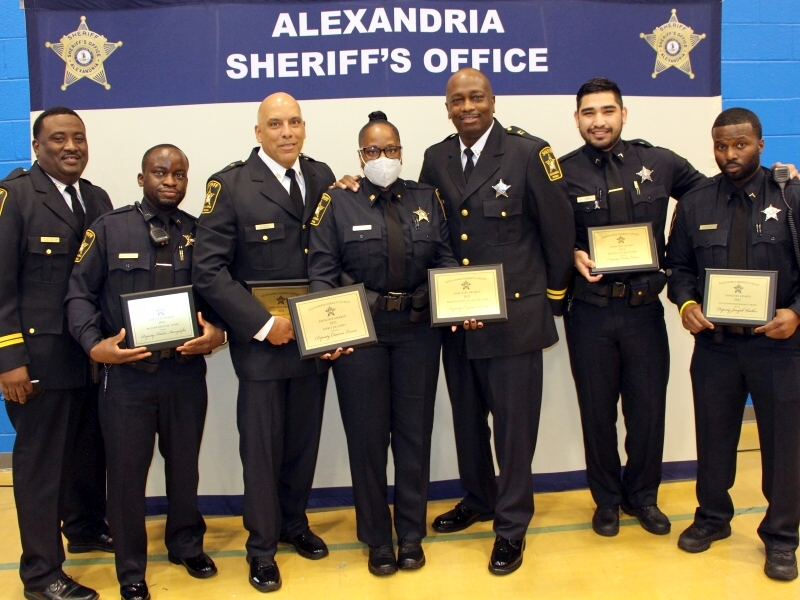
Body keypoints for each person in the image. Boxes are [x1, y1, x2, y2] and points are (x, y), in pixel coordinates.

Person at [419, 68, 574, 574]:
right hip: (459, 321)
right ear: (447, 107)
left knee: (512, 431)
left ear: (492, 100)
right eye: (457, 99)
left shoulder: (531, 153)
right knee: (467, 422)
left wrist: (550, 300)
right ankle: (480, 497)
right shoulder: (435, 157)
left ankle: (511, 526)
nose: (467, 106)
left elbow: (557, 231)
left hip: (515, 319)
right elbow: (428, 232)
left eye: (476, 97)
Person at [65, 145, 225, 600]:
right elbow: (78, 293)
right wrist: (93, 346)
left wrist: (217, 334)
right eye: (160, 172)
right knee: (127, 476)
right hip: (128, 378)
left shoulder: (201, 234)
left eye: (179, 174)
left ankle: (185, 544)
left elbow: (219, 295)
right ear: (141, 178)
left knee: (184, 469)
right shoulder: (110, 229)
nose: (169, 181)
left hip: (184, 373)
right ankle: (130, 568)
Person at [192, 93, 335, 593]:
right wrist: (261, 325)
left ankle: (295, 524)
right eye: (275, 124)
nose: (287, 132)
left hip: (311, 341)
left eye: (295, 122)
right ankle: (262, 548)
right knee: (262, 451)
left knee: (302, 444)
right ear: (258, 132)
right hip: (261, 348)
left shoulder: (321, 177)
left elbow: (328, 253)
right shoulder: (229, 185)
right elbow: (208, 270)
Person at [308, 111, 457, 575]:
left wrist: (460, 300)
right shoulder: (336, 202)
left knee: (414, 435)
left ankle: (411, 533)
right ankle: (376, 537)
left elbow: (447, 259)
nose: (382, 157)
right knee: (368, 440)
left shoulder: (426, 198)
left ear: (400, 151)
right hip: (361, 338)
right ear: (360, 156)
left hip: (416, 332)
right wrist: (330, 332)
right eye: (372, 150)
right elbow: (321, 275)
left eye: (390, 148)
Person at [558, 77, 708, 537]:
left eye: (607, 111)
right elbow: (539, 231)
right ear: (577, 118)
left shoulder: (659, 162)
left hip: (644, 311)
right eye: (588, 113)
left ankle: (643, 497)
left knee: (646, 411)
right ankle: (605, 500)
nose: (598, 121)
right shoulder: (559, 172)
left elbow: (710, 195)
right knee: (596, 412)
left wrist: (773, 180)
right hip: (591, 313)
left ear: (624, 114)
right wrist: (570, 254)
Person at [664, 108, 800, 582]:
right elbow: (677, 269)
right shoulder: (697, 201)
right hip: (717, 347)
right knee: (715, 436)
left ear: (760, 144)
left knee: (783, 445)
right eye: (721, 146)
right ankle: (712, 518)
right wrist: (685, 306)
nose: (729, 155)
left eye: (739, 145)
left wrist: (796, 313)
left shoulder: (791, 195)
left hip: (779, 347)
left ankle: (782, 537)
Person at [0, 107, 112, 600]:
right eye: (59, 139)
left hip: (90, 357)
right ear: (38, 146)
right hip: (38, 360)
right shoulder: (16, 196)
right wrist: (8, 360)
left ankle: (85, 528)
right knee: (40, 469)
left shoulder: (97, 198)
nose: (71, 147)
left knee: (88, 454)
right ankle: (42, 574)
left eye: (79, 139)